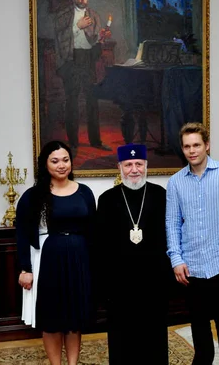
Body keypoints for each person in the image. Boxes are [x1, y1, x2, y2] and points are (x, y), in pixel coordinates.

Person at [166, 122, 219, 365]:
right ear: (182, 149)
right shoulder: (176, 182)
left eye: (196, 145)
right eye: (187, 146)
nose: (192, 151)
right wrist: (176, 259)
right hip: (191, 267)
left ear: (207, 145)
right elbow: (171, 223)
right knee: (199, 330)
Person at [16, 141, 96, 365]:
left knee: (74, 319)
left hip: (79, 261)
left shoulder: (85, 192)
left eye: (65, 160)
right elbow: (22, 233)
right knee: (52, 319)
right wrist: (25, 269)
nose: (61, 165)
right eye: (55, 161)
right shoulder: (34, 196)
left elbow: (92, 231)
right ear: (45, 164)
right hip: (48, 261)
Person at [94, 143, 171, 364]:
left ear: (146, 165)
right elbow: (101, 244)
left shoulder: (160, 195)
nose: (134, 169)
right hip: (120, 284)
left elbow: (168, 236)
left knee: (154, 336)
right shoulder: (107, 199)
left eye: (139, 164)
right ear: (119, 167)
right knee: (121, 338)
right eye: (128, 164)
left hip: (153, 281)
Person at [54, 0, 111, 154]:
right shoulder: (63, 14)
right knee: (72, 102)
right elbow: (59, 36)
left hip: (87, 60)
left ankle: (96, 141)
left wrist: (101, 38)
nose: (83, 0)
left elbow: (95, 40)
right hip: (71, 60)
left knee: (92, 101)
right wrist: (76, 26)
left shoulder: (93, 14)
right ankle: (73, 143)